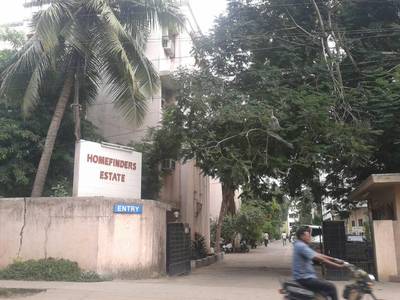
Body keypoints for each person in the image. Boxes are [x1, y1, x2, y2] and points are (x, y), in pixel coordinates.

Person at [293, 226, 344, 300]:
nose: (310, 237)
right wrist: (339, 266)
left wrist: (335, 259)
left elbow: (319, 255)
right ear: (302, 236)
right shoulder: (301, 246)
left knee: (323, 294)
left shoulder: (300, 245)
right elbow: (320, 259)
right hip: (305, 278)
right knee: (331, 287)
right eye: (308, 235)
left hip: (305, 277)